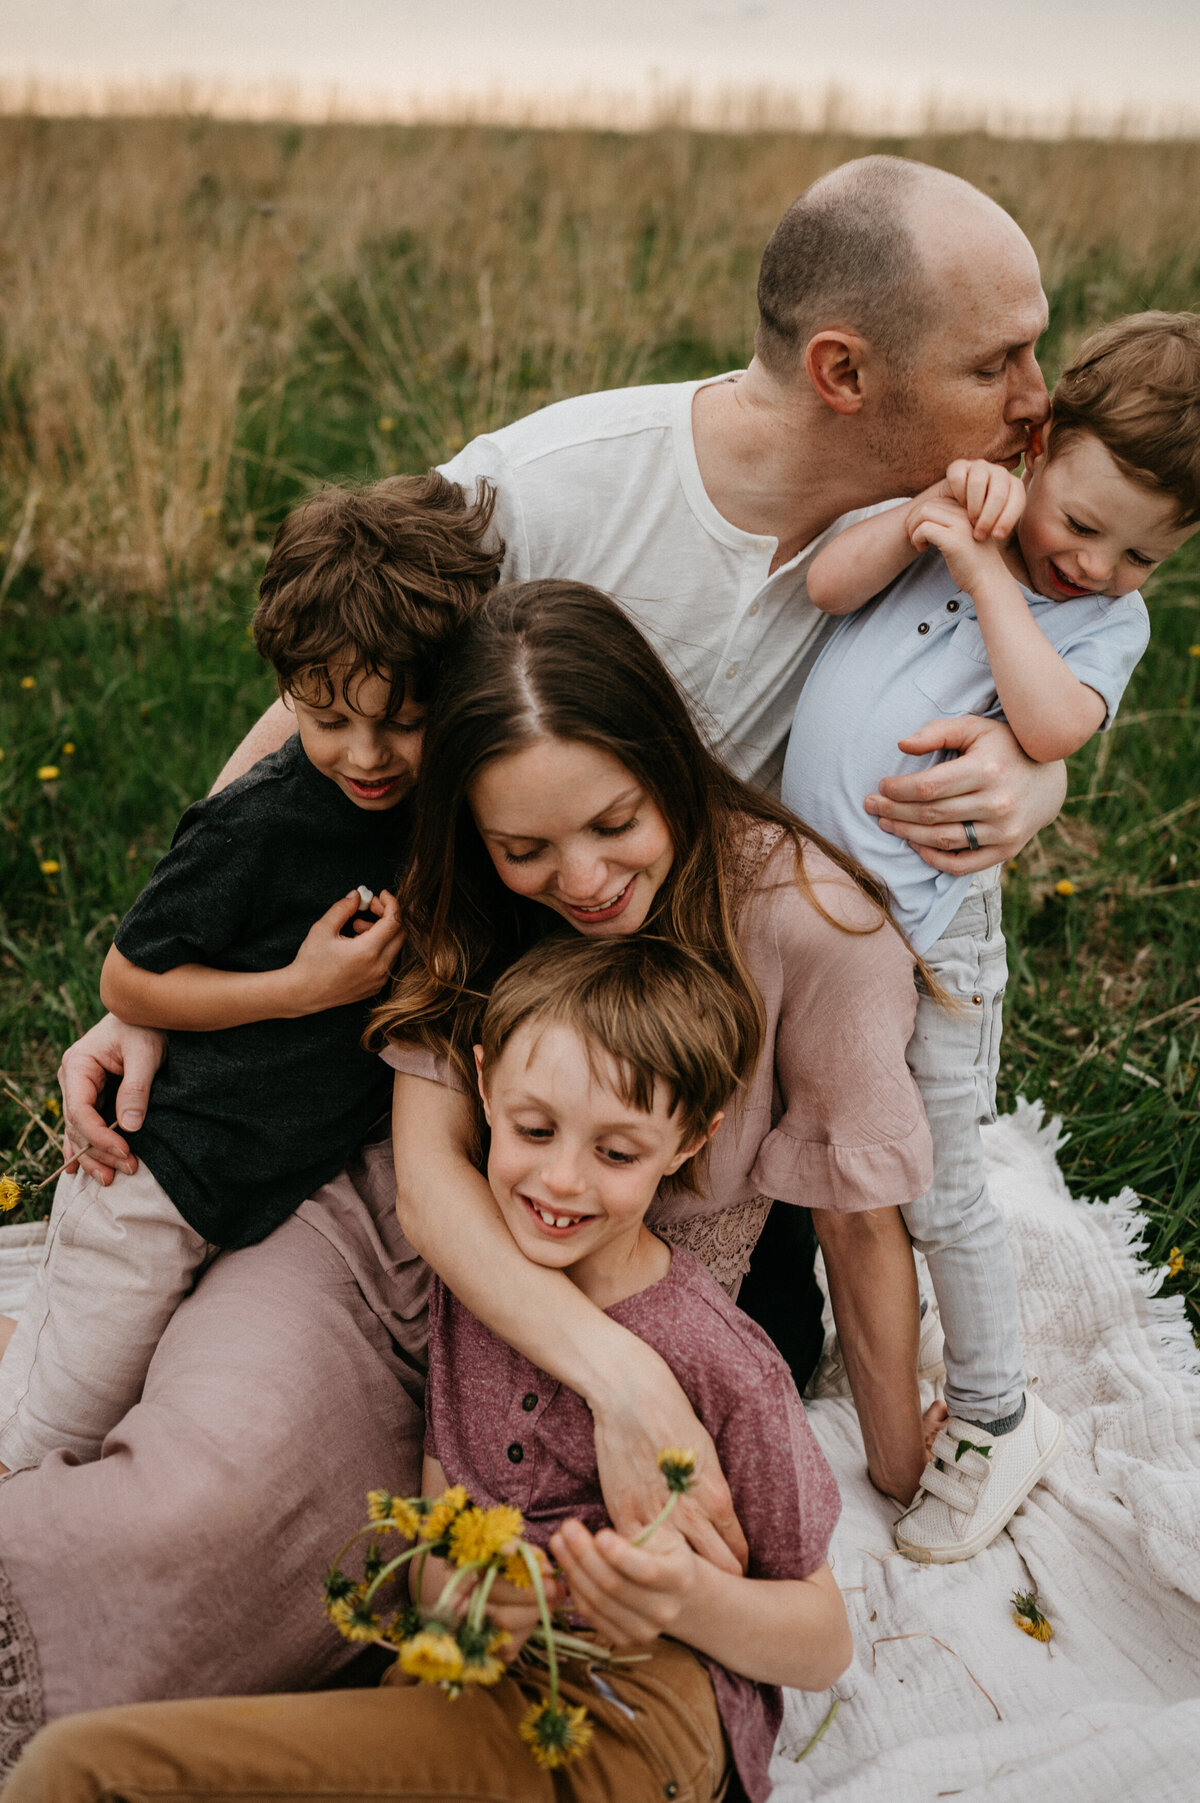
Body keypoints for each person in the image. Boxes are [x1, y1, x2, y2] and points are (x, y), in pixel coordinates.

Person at [56, 153, 1064, 1543]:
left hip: (688, 1063)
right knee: (268, 1436)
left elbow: (1047, 672)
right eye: (1002, 359)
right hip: (460, 1010)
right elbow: (320, 704)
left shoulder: (944, 530)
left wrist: (1035, 773)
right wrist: (160, 968)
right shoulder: (552, 489)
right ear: (844, 369)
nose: (1039, 397)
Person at [5, 934, 851, 1803]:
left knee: (80, 1774)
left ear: (688, 1141)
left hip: (625, 1712)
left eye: (617, 1152)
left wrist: (683, 1598)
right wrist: (480, 1599)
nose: (562, 1179)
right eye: (534, 1129)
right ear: (482, 1084)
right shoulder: (472, 1300)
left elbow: (823, 1639)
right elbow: (431, 1567)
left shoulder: (717, 1357)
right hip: (460, 1679)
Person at [378, 577, 940, 1524]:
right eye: (527, 847)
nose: (586, 881)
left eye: (616, 823)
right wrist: (618, 1379)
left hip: (706, 1313)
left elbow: (855, 1219)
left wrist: (896, 1466)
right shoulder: (473, 895)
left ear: (671, 766)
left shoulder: (812, 924)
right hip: (482, 1303)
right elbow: (429, 1177)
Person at [784, 310, 1200, 1560]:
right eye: (1080, 524)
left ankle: (996, 1411)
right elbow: (823, 585)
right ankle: (870, 1342)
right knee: (849, 1156)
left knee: (945, 1185)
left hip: (933, 940)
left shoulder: (1097, 626)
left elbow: (1052, 724)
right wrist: (922, 523)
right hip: (813, 918)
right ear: (1042, 439)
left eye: (1142, 554)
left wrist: (984, 571)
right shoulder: (955, 513)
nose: (1098, 565)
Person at [0, 473, 499, 1473]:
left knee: (162, 1391)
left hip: (276, 1192)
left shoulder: (451, 802)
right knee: (48, 1442)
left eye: (401, 721)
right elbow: (129, 984)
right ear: (288, 692)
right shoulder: (260, 821)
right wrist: (302, 990)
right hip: (158, 1179)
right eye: (326, 719)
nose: (366, 755)